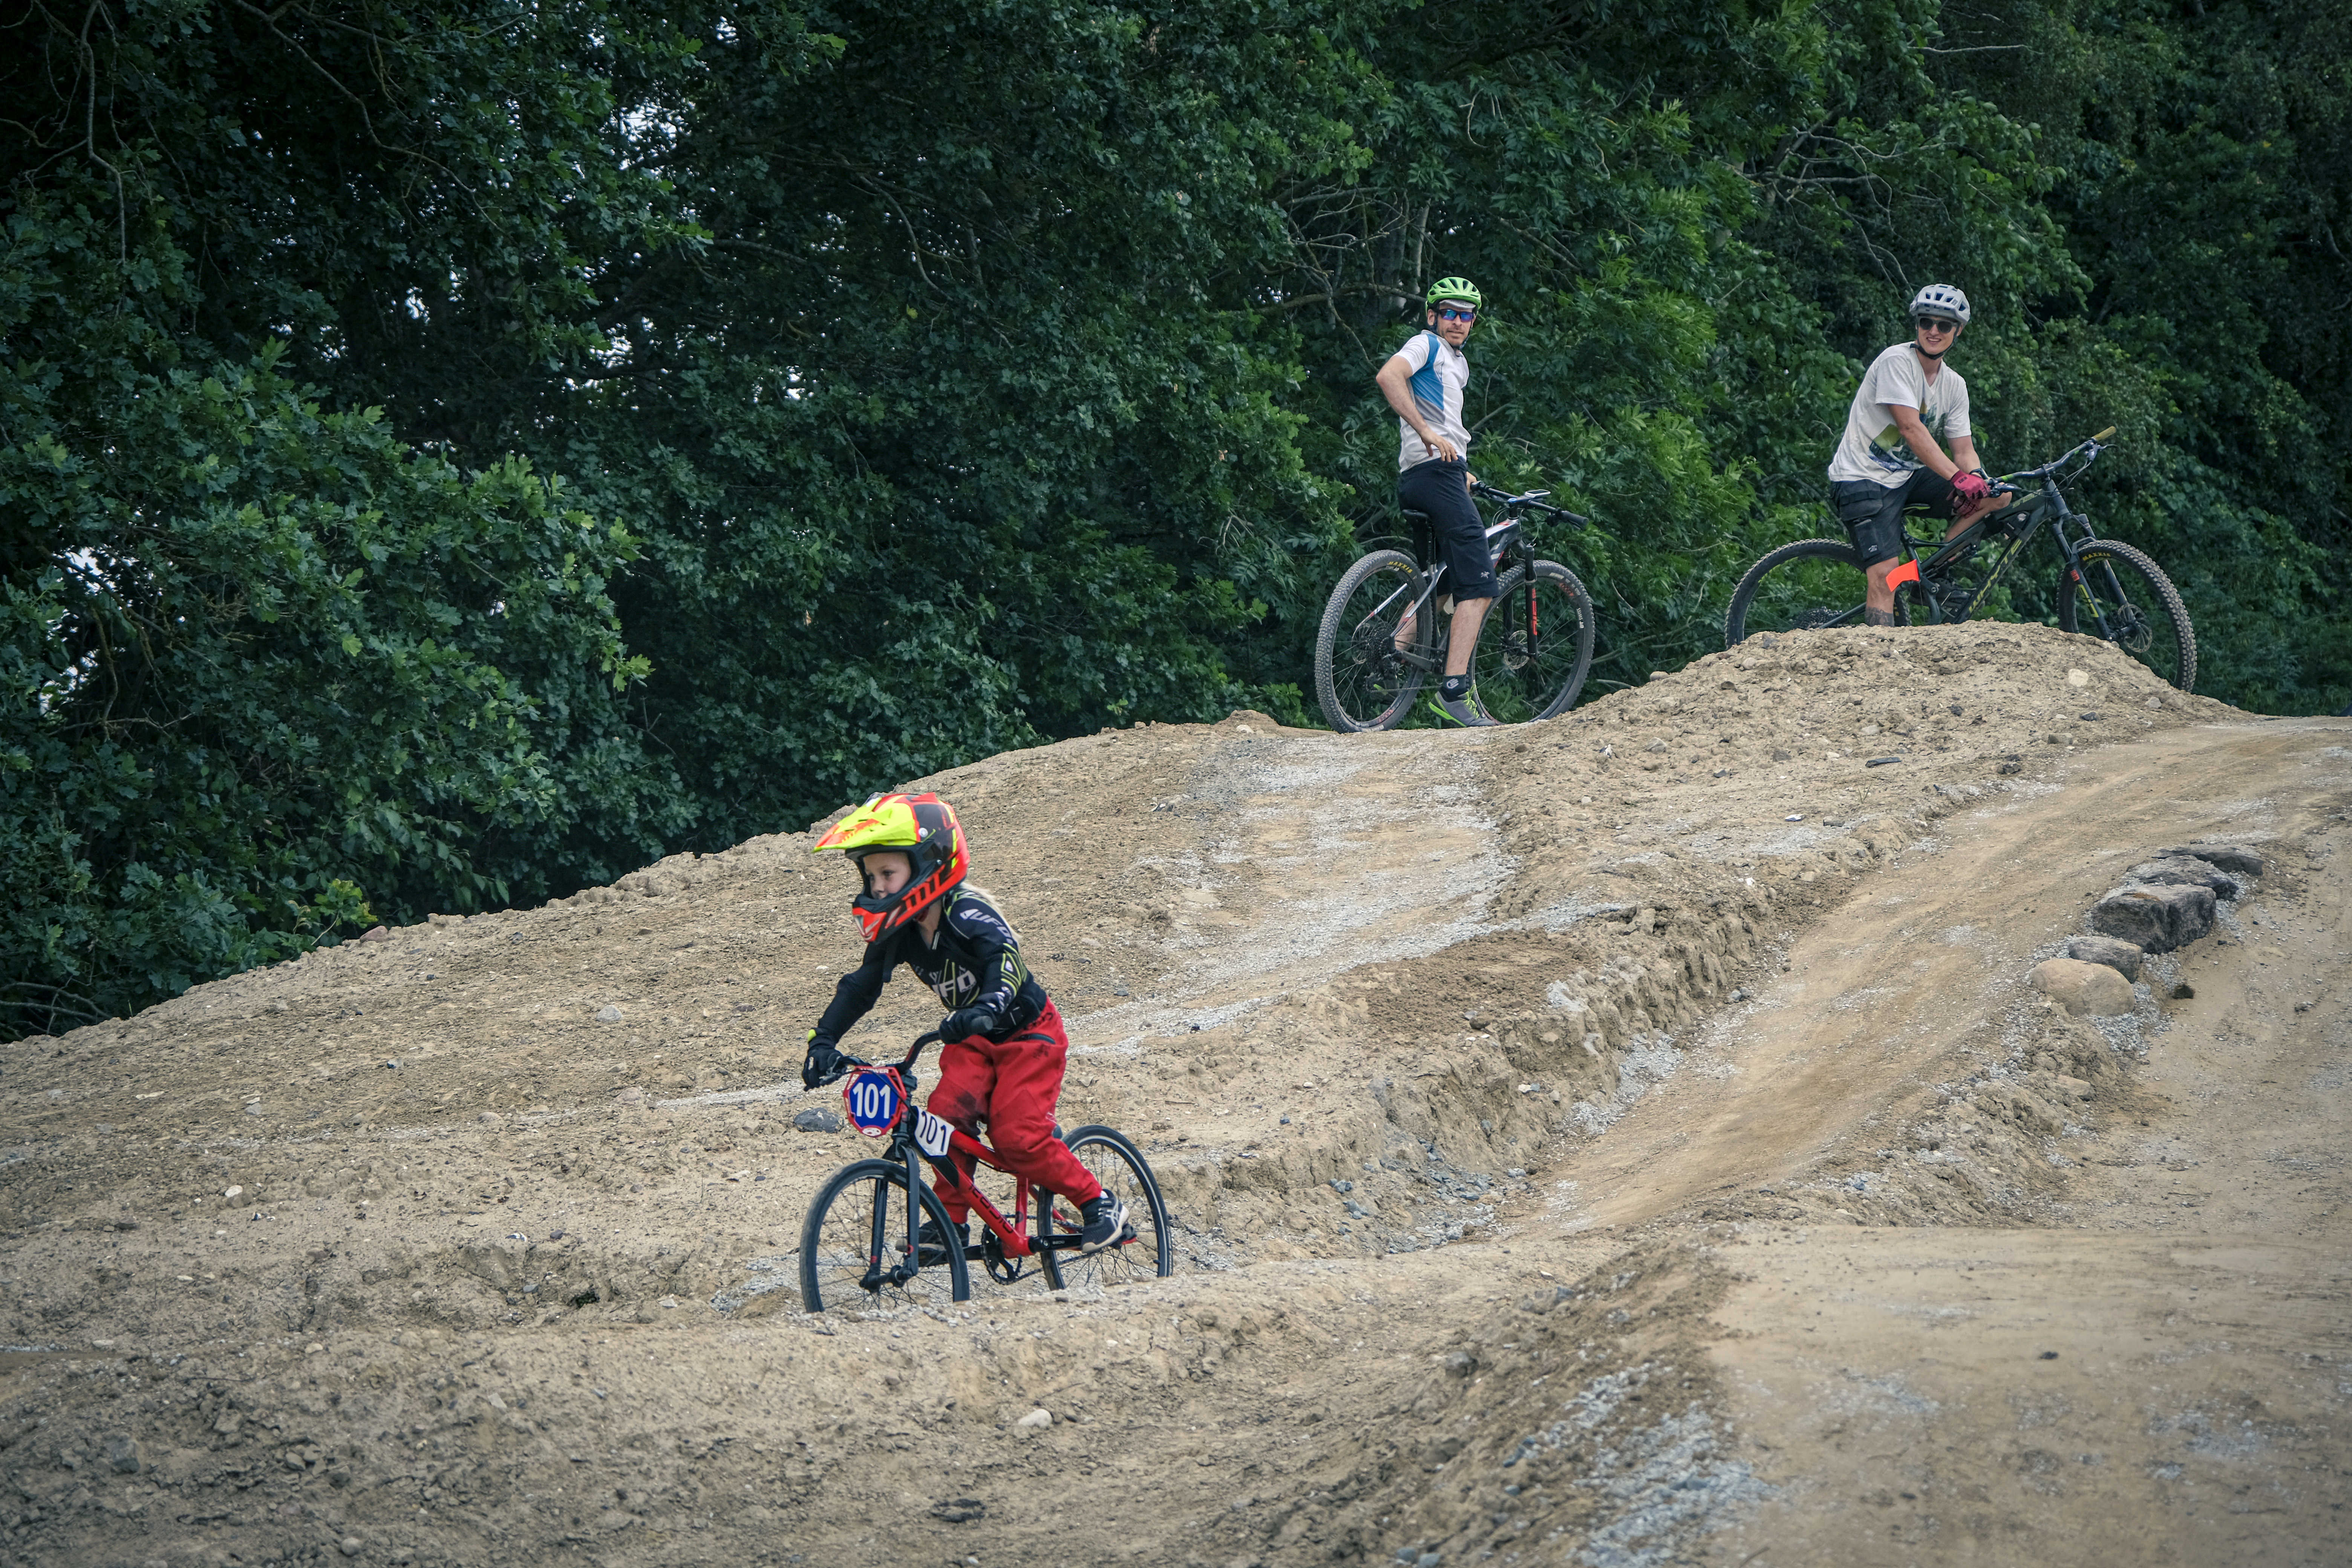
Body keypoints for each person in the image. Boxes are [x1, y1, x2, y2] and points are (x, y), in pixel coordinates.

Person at [800, 791, 1129, 1257]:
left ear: (930, 864)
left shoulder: (969, 911)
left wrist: (989, 1007)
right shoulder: (901, 931)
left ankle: (1099, 1202)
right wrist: (824, 1039)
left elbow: (1007, 963)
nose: (876, 886)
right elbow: (861, 986)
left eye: (887, 873)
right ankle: (951, 1225)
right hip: (972, 1037)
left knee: (1018, 1137)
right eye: (870, 875)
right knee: (944, 1119)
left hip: (1027, 1034)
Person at [1826, 284, 2004, 626]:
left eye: (1944, 325)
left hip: (1906, 477)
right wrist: (1957, 478)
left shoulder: (1955, 385)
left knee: (1998, 498)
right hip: (1862, 478)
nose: (1933, 331)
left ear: (1958, 330)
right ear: (1917, 325)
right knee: (1888, 576)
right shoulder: (1897, 362)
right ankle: (1878, 659)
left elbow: (1964, 450)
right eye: (1926, 322)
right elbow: (1910, 428)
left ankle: (1933, 578)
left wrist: (1978, 482)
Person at [1375, 277, 1498, 725]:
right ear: (1433, 316)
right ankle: (1453, 692)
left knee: (1443, 580)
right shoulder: (1425, 344)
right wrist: (1430, 435)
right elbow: (1389, 376)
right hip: (1434, 474)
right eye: (1450, 312)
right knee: (1482, 585)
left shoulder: (1456, 364)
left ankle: (1395, 646)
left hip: (1427, 476)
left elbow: (1443, 418)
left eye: (1467, 315)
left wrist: (1459, 462)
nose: (1459, 321)